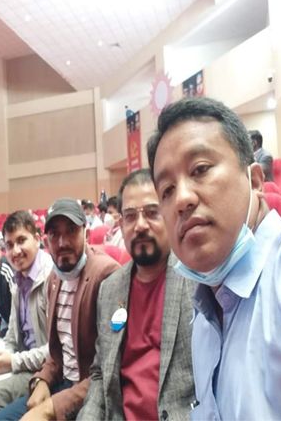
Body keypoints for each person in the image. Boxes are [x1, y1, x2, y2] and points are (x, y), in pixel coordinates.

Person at [147, 97, 281, 419]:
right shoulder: (204, 315)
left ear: (255, 181)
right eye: (167, 190)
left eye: (200, 169)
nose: (181, 199)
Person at [78, 170, 196, 421]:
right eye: (131, 216)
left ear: (169, 214)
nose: (140, 225)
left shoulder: (197, 279)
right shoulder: (110, 289)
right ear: (121, 225)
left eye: (152, 213)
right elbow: (100, 372)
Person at [0, 198, 120, 421]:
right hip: (59, 382)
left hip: (89, 394)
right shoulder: (55, 278)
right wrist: (43, 379)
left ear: (86, 234)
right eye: (54, 234)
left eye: (71, 231)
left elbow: (109, 369)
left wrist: (51, 407)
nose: (63, 242)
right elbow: (57, 349)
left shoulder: (106, 275)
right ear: (46, 241)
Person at [0, 211, 54, 420]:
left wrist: (13, 361)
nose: (15, 251)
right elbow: (12, 335)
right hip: (24, 360)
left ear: (37, 239)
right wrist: (4, 355)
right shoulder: (19, 279)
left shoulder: (52, 277)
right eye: (10, 245)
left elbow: (56, 350)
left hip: (44, 370)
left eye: (21, 241)